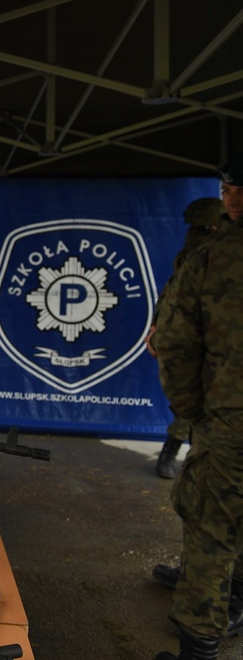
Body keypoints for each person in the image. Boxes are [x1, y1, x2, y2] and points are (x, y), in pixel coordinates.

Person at [151, 152, 243, 660]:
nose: (231, 196)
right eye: (227, 187)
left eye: (236, 188)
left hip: (230, 421)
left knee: (211, 529)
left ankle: (200, 645)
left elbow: (178, 343)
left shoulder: (215, 255)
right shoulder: (207, 250)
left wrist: (194, 411)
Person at [150, 196, 225, 478]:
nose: (198, 233)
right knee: (192, 401)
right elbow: (173, 293)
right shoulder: (193, 252)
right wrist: (159, 326)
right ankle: (174, 451)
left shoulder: (221, 251)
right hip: (196, 339)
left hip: (217, 340)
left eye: (204, 228)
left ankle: (185, 455)